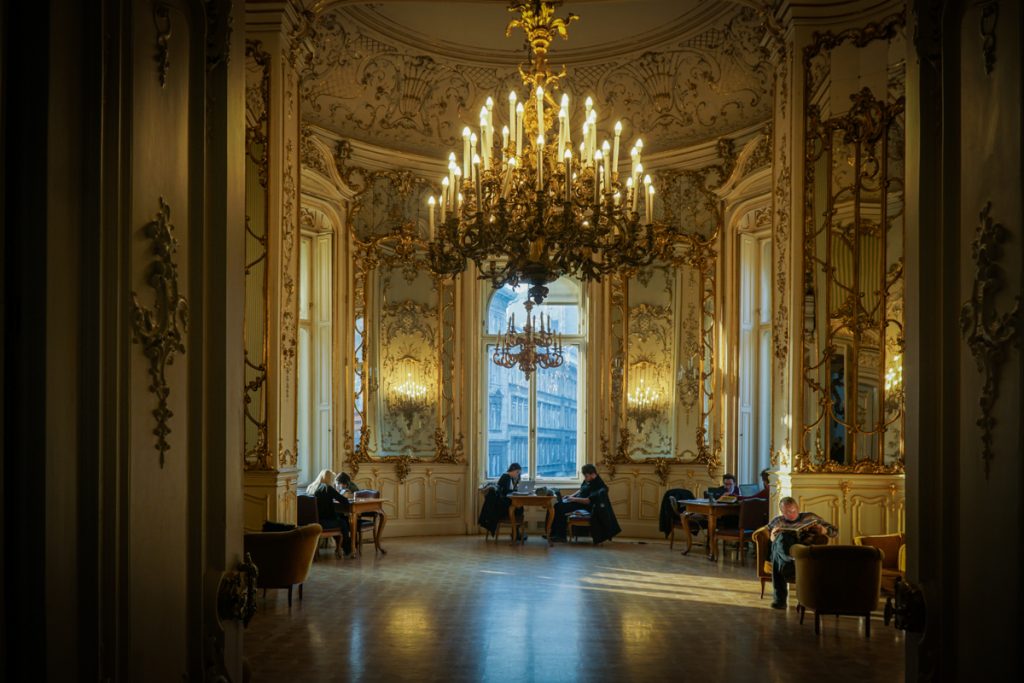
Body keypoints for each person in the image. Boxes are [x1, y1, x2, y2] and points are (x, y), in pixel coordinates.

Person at [767, 496, 838, 609]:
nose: (790, 514)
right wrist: (772, 536)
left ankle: (779, 600)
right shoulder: (777, 521)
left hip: (804, 550)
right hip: (786, 554)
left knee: (777, 560)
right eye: (786, 512)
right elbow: (768, 541)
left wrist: (825, 530)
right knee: (781, 539)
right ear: (781, 512)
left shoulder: (809, 517)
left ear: (798, 508)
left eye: (793, 511)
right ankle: (793, 557)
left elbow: (835, 531)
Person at [549, 464, 621, 543]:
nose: (585, 478)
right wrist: (570, 496)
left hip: (585, 505)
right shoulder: (588, 480)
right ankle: (553, 534)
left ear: (593, 474)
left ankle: (561, 536)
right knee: (557, 505)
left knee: (560, 507)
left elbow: (588, 501)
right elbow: (581, 490)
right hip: (578, 501)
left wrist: (573, 499)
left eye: (586, 476)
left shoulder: (599, 486)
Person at [306, 468, 353, 557]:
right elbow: (344, 501)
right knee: (343, 522)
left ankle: (342, 547)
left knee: (340, 519)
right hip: (323, 522)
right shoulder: (327, 488)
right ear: (329, 479)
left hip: (312, 521)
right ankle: (348, 549)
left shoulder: (310, 487)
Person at [477, 463, 524, 537]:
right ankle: (515, 533)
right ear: (512, 470)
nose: (518, 474)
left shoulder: (509, 478)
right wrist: (516, 491)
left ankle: (515, 533)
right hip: (500, 507)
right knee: (519, 508)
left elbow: (507, 491)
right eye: (517, 472)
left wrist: (516, 484)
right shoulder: (506, 477)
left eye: (519, 473)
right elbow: (506, 492)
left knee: (519, 507)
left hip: (501, 504)